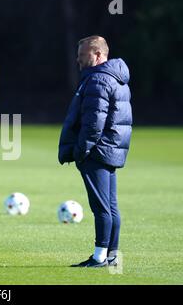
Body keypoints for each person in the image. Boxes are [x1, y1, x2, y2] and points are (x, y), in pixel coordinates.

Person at [58, 35, 132, 267]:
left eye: (82, 57)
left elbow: (93, 124)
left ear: (98, 55)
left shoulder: (98, 80)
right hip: (111, 149)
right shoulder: (116, 77)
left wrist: (81, 151)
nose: (78, 62)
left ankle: (100, 256)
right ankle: (111, 255)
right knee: (110, 206)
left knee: (101, 208)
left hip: (97, 152)